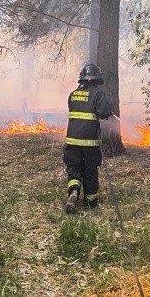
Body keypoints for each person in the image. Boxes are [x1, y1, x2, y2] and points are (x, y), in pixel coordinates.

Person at [63, 63, 113, 214]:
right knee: (90, 170)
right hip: (90, 142)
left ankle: (74, 191)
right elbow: (104, 112)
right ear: (96, 79)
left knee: (74, 168)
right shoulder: (98, 94)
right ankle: (91, 202)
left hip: (72, 141)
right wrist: (108, 112)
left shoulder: (73, 94)